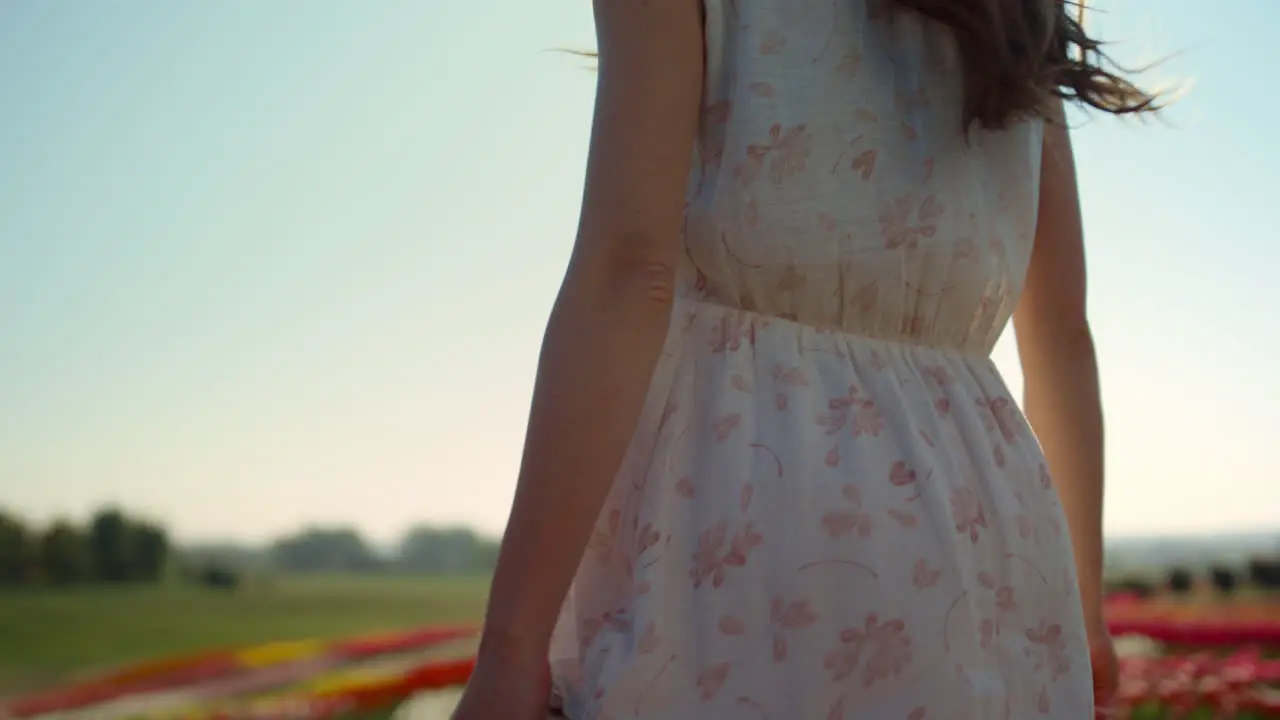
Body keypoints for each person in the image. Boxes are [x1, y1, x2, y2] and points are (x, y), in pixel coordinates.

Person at [450, 0, 1157, 717]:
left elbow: (630, 275)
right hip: (989, 534)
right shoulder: (1021, 13)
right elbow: (1061, 339)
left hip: (744, 493)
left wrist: (512, 647)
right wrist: (1082, 605)